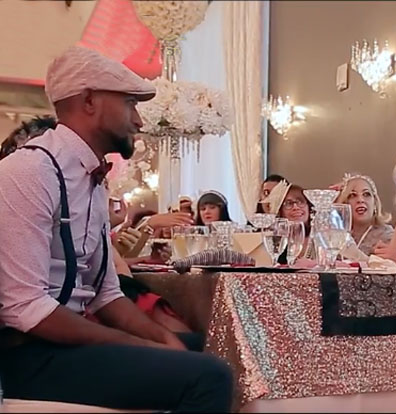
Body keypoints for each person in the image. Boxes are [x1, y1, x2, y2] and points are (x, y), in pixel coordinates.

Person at [0, 46, 232, 412]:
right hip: (23, 355)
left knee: (223, 347)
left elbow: (106, 295)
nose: (139, 121)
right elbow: (26, 307)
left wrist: (162, 339)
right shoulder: (29, 172)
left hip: (65, 345)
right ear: (89, 101)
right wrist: (137, 344)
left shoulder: (92, 179)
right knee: (210, 376)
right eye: (130, 103)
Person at [332, 173, 394, 256]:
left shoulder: (388, 236)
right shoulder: (335, 235)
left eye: (366, 194)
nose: (360, 200)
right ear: (344, 204)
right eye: (352, 195)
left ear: (375, 204)